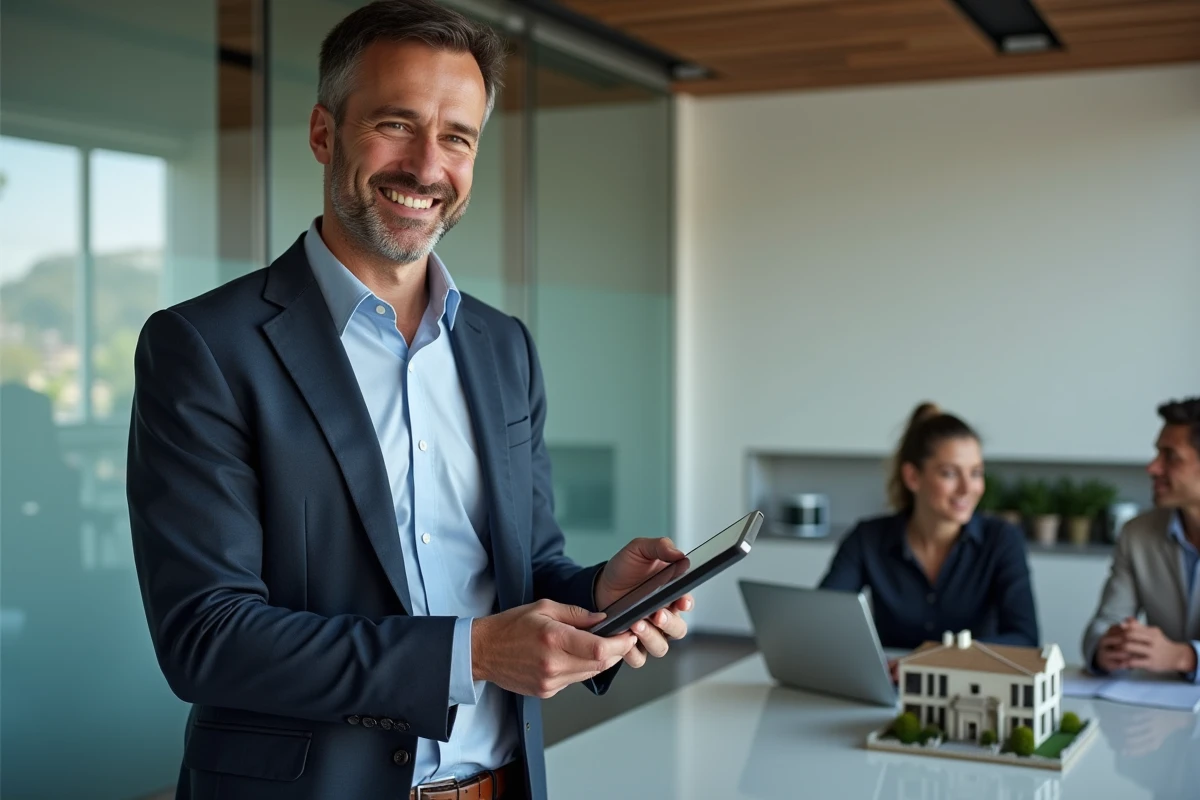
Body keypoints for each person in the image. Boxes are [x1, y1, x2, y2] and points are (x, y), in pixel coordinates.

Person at [125, 3, 691, 799]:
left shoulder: (503, 346)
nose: (427, 168)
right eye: (396, 124)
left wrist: (599, 595)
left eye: (457, 137)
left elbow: (523, 569)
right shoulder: (205, 348)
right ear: (324, 133)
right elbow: (207, 637)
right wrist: (473, 654)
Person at [819, 402, 1039, 667]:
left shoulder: (1002, 540)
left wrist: (932, 660)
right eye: (950, 473)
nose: (967, 488)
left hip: (970, 682)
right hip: (890, 684)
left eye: (975, 473)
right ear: (913, 477)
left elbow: (1025, 638)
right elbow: (822, 620)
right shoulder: (867, 539)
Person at [1082, 397, 1200, 683]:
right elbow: (1104, 624)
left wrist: (1185, 657)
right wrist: (1108, 647)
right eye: (1157, 453)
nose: (1153, 468)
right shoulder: (1137, 534)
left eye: (1170, 456)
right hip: (1158, 704)